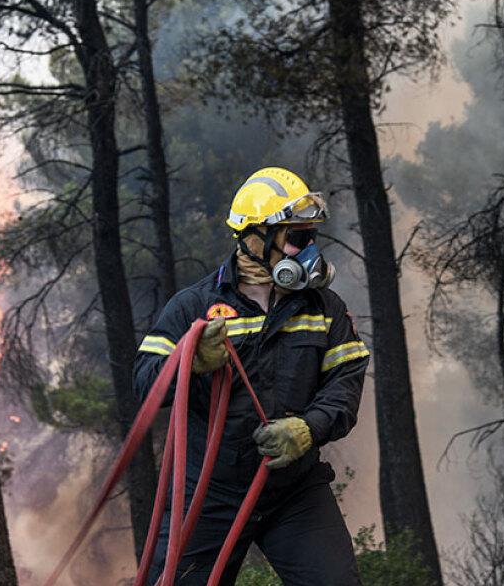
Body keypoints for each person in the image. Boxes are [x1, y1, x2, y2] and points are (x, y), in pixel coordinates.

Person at [133, 167, 370, 585]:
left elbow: (346, 382)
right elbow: (145, 382)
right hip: (209, 495)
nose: (308, 248)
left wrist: (308, 428)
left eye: (311, 236)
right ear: (255, 236)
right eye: (297, 237)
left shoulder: (324, 308)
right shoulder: (193, 308)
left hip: (293, 492)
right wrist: (191, 362)